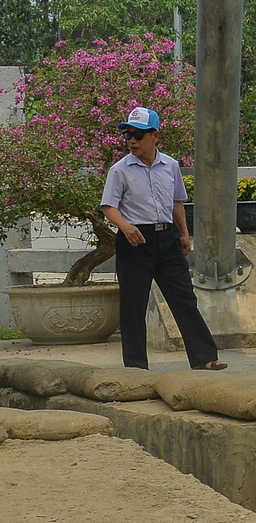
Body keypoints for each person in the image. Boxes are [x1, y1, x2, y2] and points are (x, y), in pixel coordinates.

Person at [98, 107, 225, 371]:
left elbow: (177, 201)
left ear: (155, 135)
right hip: (135, 241)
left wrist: (184, 234)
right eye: (127, 134)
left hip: (166, 238)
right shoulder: (119, 171)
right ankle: (136, 368)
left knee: (184, 298)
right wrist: (125, 227)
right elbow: (109, 207)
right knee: (134, 304)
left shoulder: (170, 165)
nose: (131, 140)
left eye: (138, 134)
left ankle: (204, 358)